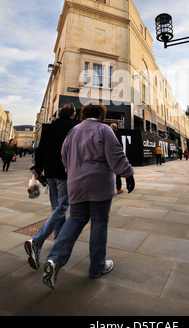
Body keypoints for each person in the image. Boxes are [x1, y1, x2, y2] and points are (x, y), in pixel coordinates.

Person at [42, 101, 135, 289]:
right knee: (99, 222)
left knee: (75, 220)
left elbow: (64, 156)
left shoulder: (73, 131)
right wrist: (128, 174)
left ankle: (54, 259)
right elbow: (116, 155)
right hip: (99, 185)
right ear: (101, 115)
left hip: (76, 185)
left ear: (83, 114)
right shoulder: (104, 130)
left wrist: (72, 172)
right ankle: (97, 266)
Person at [24, 103, 77, 270]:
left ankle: (58, 243)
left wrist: (38, 169)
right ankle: (37, 241)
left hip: (50, 172)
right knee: (62, 207)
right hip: (64, 173)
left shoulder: (49, 128)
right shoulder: (74, 128)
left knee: (56, 207)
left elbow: (41, 149)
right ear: (73, 115)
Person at [110, 123, 123, 194]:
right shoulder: (118, 135)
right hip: (116, 156)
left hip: (109, 155)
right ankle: (118, 188)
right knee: (118, 172)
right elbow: (121, 145)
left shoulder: (108, 134)